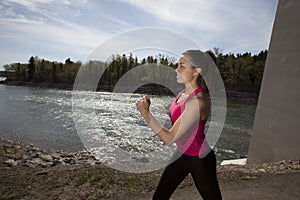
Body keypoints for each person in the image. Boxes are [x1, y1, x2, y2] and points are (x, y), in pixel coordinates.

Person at [136, 49, 222, 200]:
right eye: (177, 65)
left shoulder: (198, 101)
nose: (177, 69)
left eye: (182, 66)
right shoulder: (183, 94)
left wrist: (146, 114)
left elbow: (169, 138)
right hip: (182, 154)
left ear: (196, 71)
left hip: (200, 159)